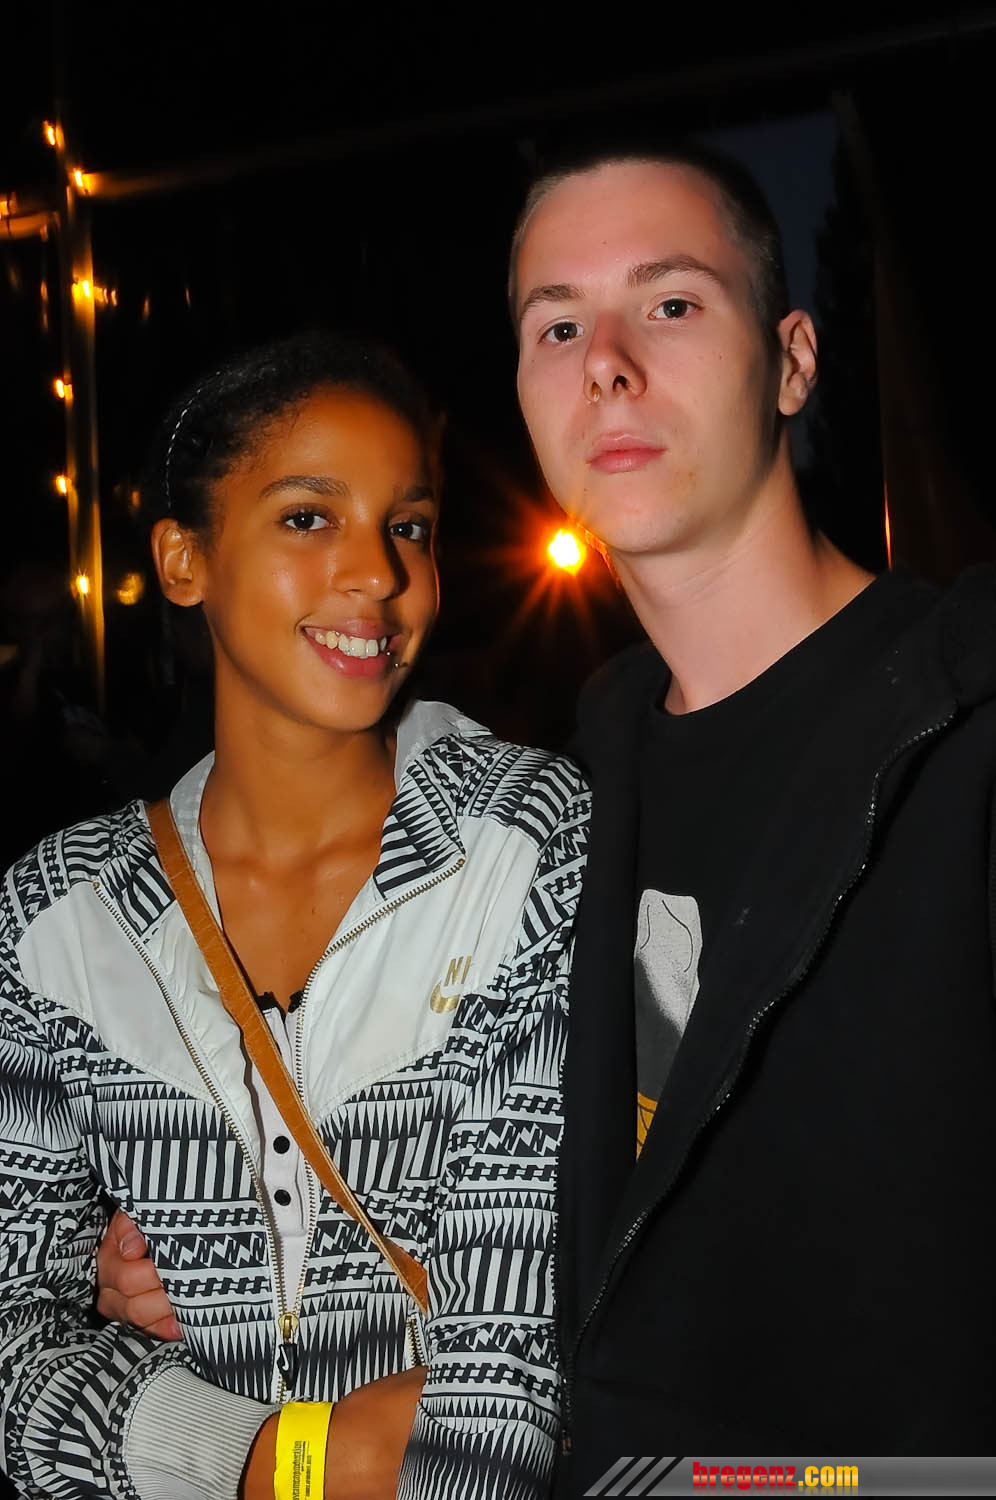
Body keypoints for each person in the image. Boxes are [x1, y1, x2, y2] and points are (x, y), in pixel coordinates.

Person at [0, 332, 588, 1500]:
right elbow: (14, 1334)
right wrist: (264, 1456)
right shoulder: (59, 920)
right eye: (308, 517)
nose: (377, 571)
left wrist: (129, 1405)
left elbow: (508, 1382)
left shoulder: (523, 847)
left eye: (407, 526)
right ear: (184, 561)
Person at [509, 142, 996, 1484]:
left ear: (792, 361)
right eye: (558, 325)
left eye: (670, 302)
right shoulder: (556, 806)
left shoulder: (967, 732)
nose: (607, 363)